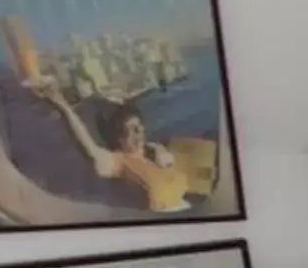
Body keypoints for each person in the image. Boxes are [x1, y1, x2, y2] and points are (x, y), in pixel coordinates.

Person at [35, 80, 192, 212]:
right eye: (131, 129)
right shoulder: (119, 162)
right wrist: (62, 105)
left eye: (139, 126)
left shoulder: (156, 155)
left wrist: (167, 164)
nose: (139, 131)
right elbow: (89, 146)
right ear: (120, 140)